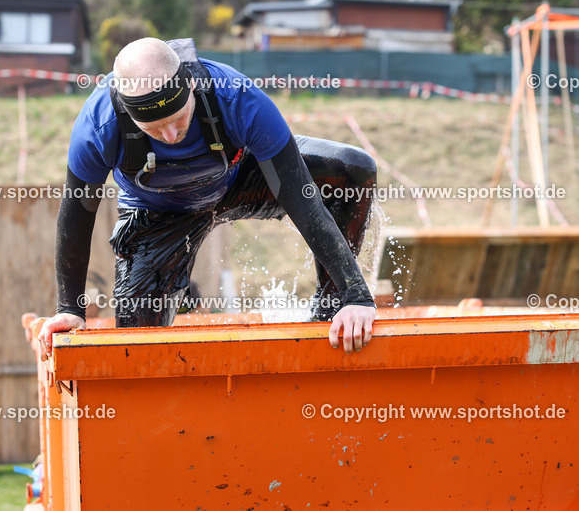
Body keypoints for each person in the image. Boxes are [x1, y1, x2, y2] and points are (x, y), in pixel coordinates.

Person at [38, 37, 378, 357]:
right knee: (137, 346)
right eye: (153, 129)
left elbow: (299, 194)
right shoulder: (97, 126)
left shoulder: (238, 97)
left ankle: (332, 308)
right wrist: (70, 309)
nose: (170, 135)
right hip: (157, 213)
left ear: (190, 86)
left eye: (178, 118)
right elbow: (76, 215)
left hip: (240, 181)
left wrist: (356, 295)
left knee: (352, 170)